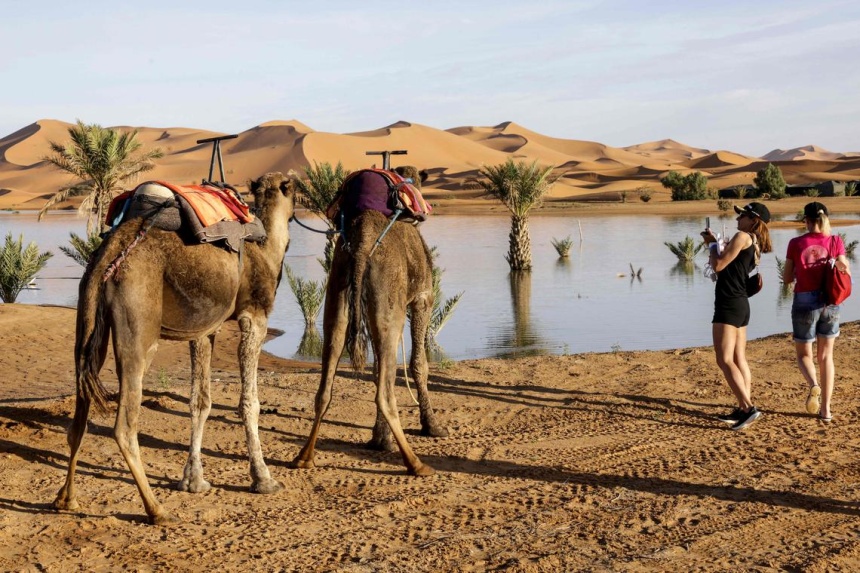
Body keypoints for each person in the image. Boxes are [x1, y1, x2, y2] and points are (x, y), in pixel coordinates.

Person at [701, 202, 773, 430]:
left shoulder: (742, 236)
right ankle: (743, 408)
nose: (737, 219)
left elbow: (719, 265)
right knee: (738, 357)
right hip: (740, 303)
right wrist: (716, 244)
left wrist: (713, 244)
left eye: (742, 215)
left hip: (729, 303)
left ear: (753, 219)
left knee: (724, 359)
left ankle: (748, 408)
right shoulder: (755, 242)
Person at [783, 201, 850, 422]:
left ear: (806, 220)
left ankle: (813, 385)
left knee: (804, 354)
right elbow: (845, 271)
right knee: (826, 356)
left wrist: (800, 274)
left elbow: (787, 277)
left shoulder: (795, 243)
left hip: (804, 300)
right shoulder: (835, 241)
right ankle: (826, 410)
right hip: (831, 303)